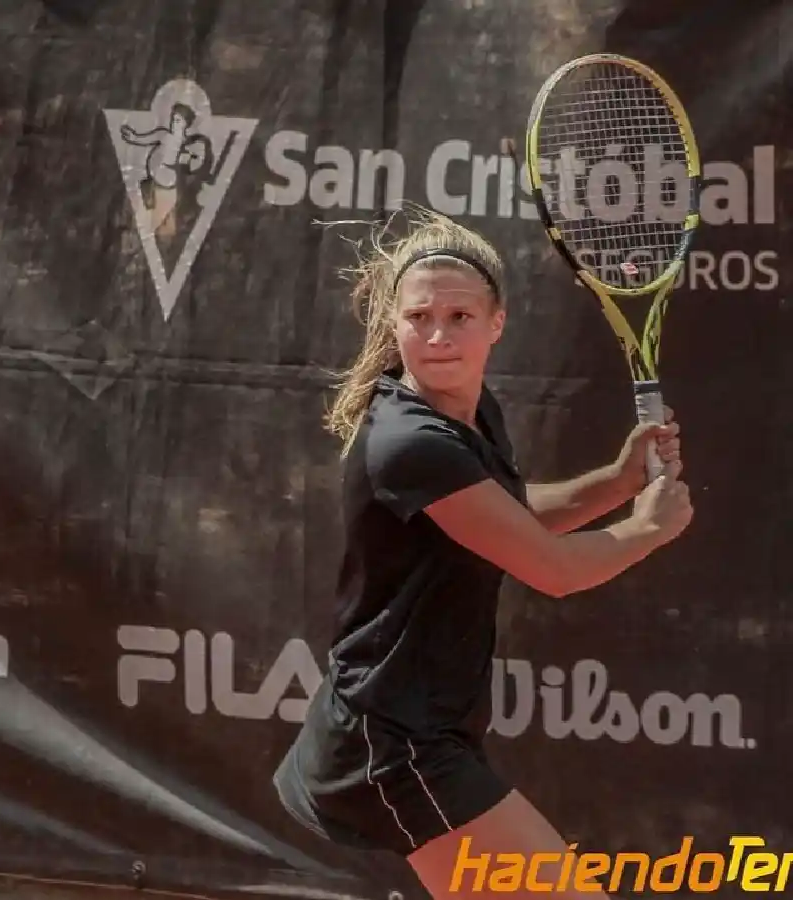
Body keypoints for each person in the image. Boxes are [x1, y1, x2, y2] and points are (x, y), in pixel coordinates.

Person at [272, 207, 693, 899]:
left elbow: (502, 517)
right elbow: (550, 569)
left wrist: (617, 483)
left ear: (497, 323)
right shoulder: (411, 442)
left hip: (419, 732)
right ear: (394, 324)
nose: (438, 336)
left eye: (459, 317)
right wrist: (646, 529)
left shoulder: (465, 414)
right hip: (394, 745)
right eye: (419, 318)